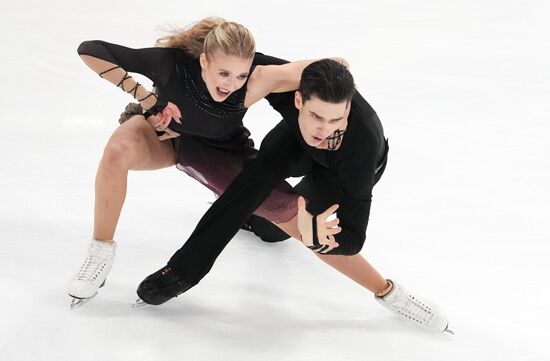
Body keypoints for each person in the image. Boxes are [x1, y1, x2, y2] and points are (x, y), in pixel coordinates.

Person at [136, 59, 453, 334]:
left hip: (341, 172)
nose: (325, 130)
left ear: (346, 112)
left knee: (283, 230)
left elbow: (354, 236)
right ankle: (183, 272)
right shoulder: (282, 84)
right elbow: (231, 59)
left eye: (335, 120)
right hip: (294, 144)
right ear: (298, 99)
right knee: (250, 191)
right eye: (317, 116)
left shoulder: (360, 149)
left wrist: (319, 239)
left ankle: (391, 294)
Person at [67, 17, 346, 308]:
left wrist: (333, 67)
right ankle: (100, 252)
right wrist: (150, 102)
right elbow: (90, 49)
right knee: (117, 151)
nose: (231, 84)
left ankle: (381, 288)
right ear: (203, 60)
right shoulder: (171, 64)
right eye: (224, 73)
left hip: (223, 151)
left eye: (240, 76)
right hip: (167, 137)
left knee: (278, 227)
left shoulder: (255, 70)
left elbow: (325, 69)